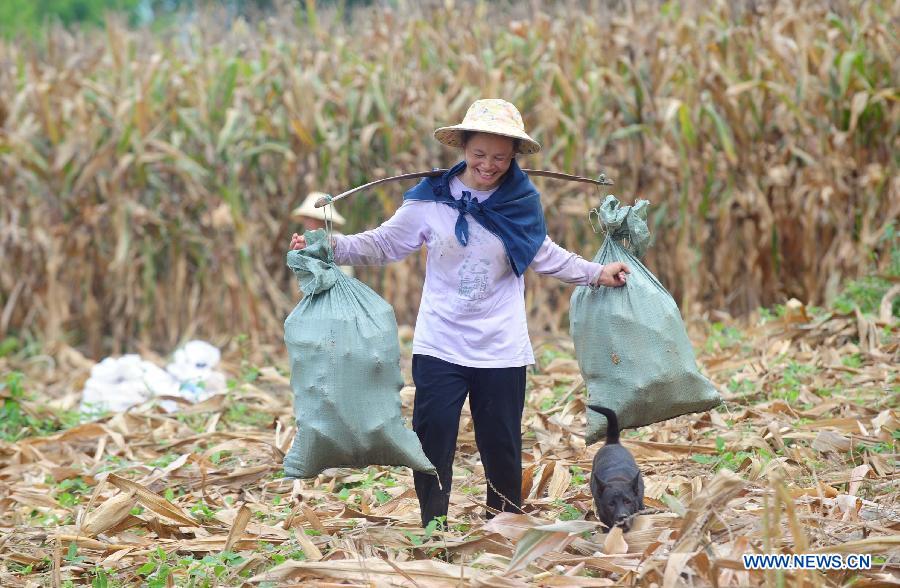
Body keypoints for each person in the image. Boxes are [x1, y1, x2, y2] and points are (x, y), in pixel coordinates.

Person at [290, 98, 630, 528]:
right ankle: (434, 528)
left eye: (501, 158)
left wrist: (598, 272)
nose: (489, 165)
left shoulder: (519, 204)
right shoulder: (431, 201)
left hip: (500, 348)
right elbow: (383, 243)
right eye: (479, 155)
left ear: (514, 157)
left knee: (502, 446)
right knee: (432, 443)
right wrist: (330, 245)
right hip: (440, 343)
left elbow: (544, 254)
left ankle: (503, 526)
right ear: (463, 150)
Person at [291, 192, 354, 277]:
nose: (306, 222)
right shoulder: (307, 242)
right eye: (306, 218)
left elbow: (346, 273)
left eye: (310, 218)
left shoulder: (336, 240)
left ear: (321, 219)